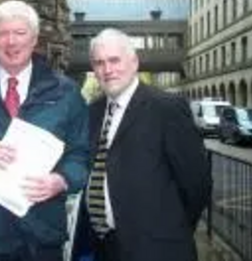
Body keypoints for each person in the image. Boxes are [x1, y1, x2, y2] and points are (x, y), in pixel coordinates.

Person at [0, 0, 90, 261]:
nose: (11, 42)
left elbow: (80, 155)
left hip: (42, 236)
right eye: (3, 33)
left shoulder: (67, 93)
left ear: (34, 39)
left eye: (20, 33)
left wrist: (61, 181)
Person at [70, 28, 212, 261]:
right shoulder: (93, 112)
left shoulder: (167, 108)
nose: (107, 70)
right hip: (103, 247)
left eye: (114, 60)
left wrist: (172, 232)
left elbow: (197, 184)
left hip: (156, 249)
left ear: (134, 62)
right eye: (99, 63)